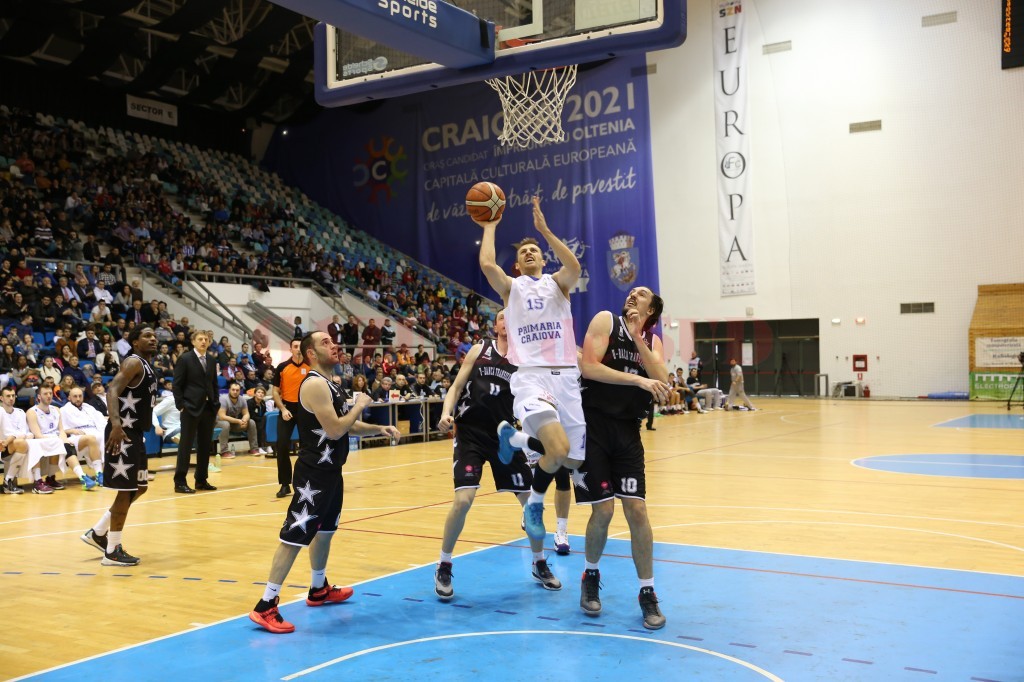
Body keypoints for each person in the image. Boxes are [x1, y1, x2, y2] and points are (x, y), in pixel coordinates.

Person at [248, 331, 400, 634]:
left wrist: (376, 428)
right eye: (326, 343)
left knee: (326, 532)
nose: (335, 346)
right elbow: (333, 430)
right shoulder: (315, 384)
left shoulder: (331, 384)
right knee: (294, 536)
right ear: (312, 354)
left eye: (333, 341)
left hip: (331, 473)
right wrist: (361, 403)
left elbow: (346, 426)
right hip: (313, 475)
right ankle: (266, 605)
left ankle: (318, 588)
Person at [433, 310, 561, 600]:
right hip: (471, 434)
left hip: (505, 436)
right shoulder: (480, 349)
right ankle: (444, 563)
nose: (507, 321)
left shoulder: (524, 361)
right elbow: (455, 387)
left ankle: (539, 562)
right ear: (496, 325)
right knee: (463, 500)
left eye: (510, 317)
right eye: (502, 317)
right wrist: (445, 412)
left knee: (531, 505)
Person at [479, 196, 585, 542]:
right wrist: (490, 226)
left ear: (543, 258)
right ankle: (535, 506)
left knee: (569, 462)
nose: (528, 254)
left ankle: (516, 439)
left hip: (566, 375)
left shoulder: (558, 283)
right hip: (532, 376)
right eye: (523, 252)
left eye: (534, 251)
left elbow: (575, 268)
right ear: (518, 265)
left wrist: (545, 231)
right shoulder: (512, 288)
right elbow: (487, 265)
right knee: (554, 451)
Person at [576, 287, 670, 630]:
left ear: (652, 310)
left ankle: (647, 592)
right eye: (631, 292)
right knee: (603, 510)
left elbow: (663, 381)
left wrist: (637, 338)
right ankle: (590, 576)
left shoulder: (653, 342)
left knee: (638, 509)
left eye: (641, 294)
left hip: (628, 433)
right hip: (594, 428)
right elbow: (588, 367)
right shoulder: (605, 321)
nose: (633, 295)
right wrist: (636, 380)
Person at [80, 325, 158, 566]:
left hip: (136, 432)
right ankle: (112, 550)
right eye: (147, 336)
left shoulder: (145, 365)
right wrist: (115, 424)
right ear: (135, 342)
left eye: (154, 335)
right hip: (123, 433)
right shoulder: (133, 362)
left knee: (140, 487)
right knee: (126, 490)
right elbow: (112, 389)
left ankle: (98, 531)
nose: (153, 339)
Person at [27, 384, 102, 491]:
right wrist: (59, 440)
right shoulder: (32, 412)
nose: (49, 396)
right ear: (39, 397)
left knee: (67, 445)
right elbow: (38, 435)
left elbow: (61, 430)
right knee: (62, 445)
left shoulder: (56, 409)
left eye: (50, 393)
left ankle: (51, 478)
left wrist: (65, 440)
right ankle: (82, 476)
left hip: (56, 441)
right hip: (41, 442)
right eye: (45, 394)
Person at [172, 330, 220, 494]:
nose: (203, 341)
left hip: (208, 408)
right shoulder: (185, 359)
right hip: (190, 407)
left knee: (205, 446)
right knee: (185, 445)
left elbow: (214, 383)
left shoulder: (212, 359)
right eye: (200, 339)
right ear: (193, 342)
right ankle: (180, 481)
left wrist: (215, 402)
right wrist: (181, 405)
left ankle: (201, 480)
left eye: (206, 339)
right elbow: (176, 384)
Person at [272, 337, 310, 498]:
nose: (297, 349)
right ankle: (285, 484)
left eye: (300, 346)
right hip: (287, 409)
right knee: (282, 446)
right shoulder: (282, 367)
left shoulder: (311, 367)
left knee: (307, 448)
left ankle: (306, 483)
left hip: (305, 409)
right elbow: (275, 391)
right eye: (295, 346)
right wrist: (282, 409)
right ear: (291, 349)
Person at [0, 385, 31, 494]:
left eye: (13, 395)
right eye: (8, 396)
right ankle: (8, 481)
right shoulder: (0, 411)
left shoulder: (20, 412)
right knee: (21, 443)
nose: (11, 398)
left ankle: (7, 481)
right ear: (1, 398)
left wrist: (11, 438)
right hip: (1, 447)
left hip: (12, 444)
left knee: (21, 443)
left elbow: (24, 432)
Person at [216, 381, 259, 456]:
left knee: (251, 422)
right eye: (233, 390)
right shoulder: (223, 399)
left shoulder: (242, 399)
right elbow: (222, 416)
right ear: (229, 390)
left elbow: (246, 413)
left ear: (240, 391)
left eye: (237, 390)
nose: (235, 392)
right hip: (219, 423)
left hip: (233, 424)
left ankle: (254, 449)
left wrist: (244, 420)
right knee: (225, 424)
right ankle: (224, 451)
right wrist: (238, 421)